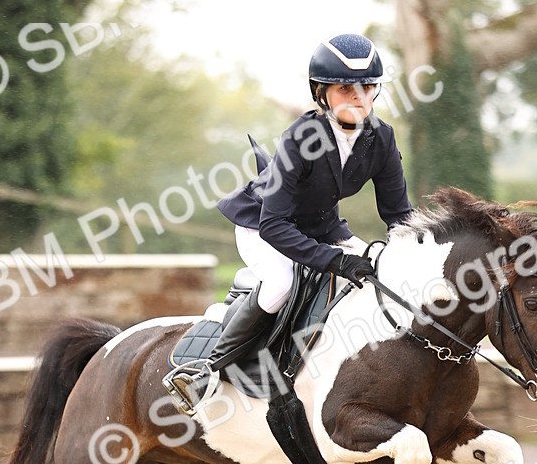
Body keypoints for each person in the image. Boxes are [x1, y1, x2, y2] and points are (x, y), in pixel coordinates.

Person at [163, 32, 413, 416]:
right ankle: (206, 370)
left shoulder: (381, 139)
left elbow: (398, 215)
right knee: (280, 284)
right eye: (346, 87)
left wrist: (414, 252)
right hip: (262, 225)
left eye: (367, 86)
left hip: (321, 226)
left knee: (378, 272)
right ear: (321, 92)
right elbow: (274, 224)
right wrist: (334, 261)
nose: (359, 97)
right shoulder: (301, 138)